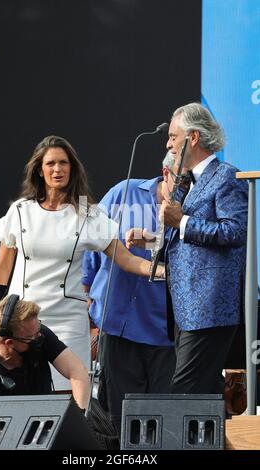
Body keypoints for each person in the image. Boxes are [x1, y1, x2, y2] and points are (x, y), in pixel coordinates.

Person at [0, 135, 164, 391]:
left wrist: (163, 271)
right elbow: (3, 266)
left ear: (72, 168)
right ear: (39, 169)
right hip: (19, 321)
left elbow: (125, 259)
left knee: (68, 400)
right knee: (22, 398)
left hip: (67, 321)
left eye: (63, 163)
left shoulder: (87, 214)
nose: (57, 169)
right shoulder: (20, 210)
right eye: (50, 164)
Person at [131, 102, 248, 395]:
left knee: (183, 392)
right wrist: (150, 238)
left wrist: (181, 220)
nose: (168, 144)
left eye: (173, 136)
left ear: (193, 137)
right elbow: (185, 238)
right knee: (202, 394)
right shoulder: (187, 182)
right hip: (185, 309)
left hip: (210, 308)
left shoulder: (226, 176)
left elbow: (235, 231)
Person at [82, 151, 179, 439]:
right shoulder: (123, 192)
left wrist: (151, 240)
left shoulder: (192, 210)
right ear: (165, 173)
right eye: (182, 179)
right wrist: (88, 301)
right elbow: (92, 247)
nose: (188, 187)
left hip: (165, 332)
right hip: (117, 326)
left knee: (161, 424)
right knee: (117, 422)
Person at [0, 296, 90, 414]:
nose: (39, 337)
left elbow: (77, 370)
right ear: (9, 343)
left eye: (38, 330)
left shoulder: (37, 333)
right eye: (32, 337)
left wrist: (80, 415)